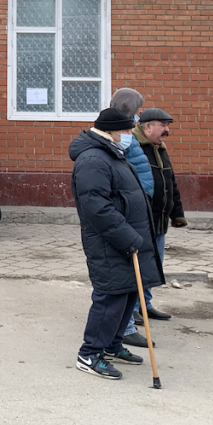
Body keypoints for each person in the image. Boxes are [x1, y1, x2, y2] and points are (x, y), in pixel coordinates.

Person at [69, 107, 163, 380]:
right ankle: (90, 354)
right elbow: (96, 208)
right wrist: (128, 237)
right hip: (111, 243)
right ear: (110, 131)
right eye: (124, 131)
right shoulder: (93, 160)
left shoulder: (112, 153)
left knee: (128, 293)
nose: (128, 136)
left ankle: (111, 345)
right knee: (110, 297)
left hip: (127, 240)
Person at [130, 107, 187, 324]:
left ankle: (146, 303)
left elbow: (170, 183)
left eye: (168, 126)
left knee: (154, 266)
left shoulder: (159, 148)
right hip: (142, 221)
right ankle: (134, 307)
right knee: (139, 265)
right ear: (147, 127)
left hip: (160, 221)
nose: (167, 130)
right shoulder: (135, 148)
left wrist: (177, 214)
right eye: (163, 125)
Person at [109, 88, 155, 349]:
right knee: (123, 274)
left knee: (131, 273)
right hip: (126, 212)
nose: (140, 114)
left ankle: (125, 324)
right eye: (138, 108)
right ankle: (123, 330)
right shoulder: (117, 135)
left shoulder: (126, 133)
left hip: (137, 208)